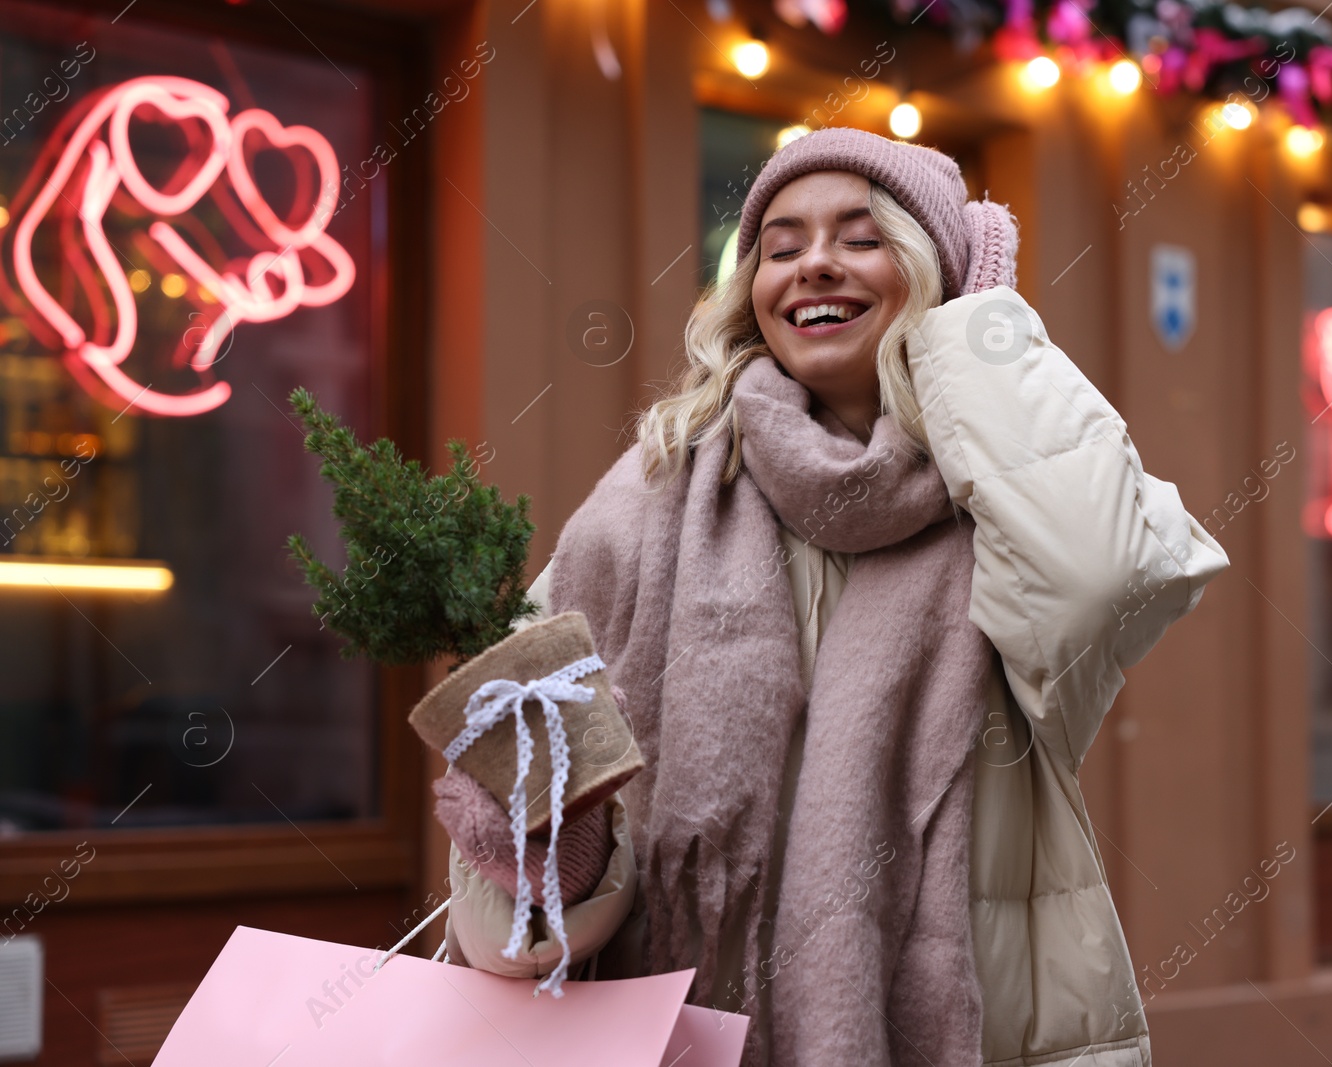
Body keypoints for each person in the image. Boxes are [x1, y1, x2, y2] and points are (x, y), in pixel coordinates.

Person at [434, 127, 1229, 1067]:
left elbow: (1101, 572)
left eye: (861, 238)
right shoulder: (643, 504)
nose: (813, 265)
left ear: (940, 274)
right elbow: (502, 933)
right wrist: (549, 850)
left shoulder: (1003, 516)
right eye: (778, 247)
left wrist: (983, 325)